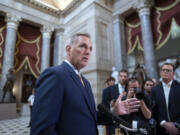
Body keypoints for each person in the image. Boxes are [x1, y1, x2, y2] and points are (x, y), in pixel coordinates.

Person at [31, 33, 140, 135]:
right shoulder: (55, 75)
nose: (88, 52)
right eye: (83, 46)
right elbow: (42, 130)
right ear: (69, 49)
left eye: (90, 48)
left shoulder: (86, 82)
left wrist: (114, 111)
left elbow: (90, 117)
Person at [151, 63, 180, 135]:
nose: (165, 72)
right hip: (161, 129)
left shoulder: (179, 87)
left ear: (173, 73)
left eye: (168, 70)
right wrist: (163, 123)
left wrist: (177, 125)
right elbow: (154, 109)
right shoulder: (154, 90)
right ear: (160, 72)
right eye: (163, 70)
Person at [102, 69, 128, 135]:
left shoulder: (130, 89)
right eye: (121, 76)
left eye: (125, 76)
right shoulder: (108, 90)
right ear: (118, 77)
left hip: (127, 123)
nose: (123, 78)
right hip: (113, 123)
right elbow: (104, 106)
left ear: (127, 78)